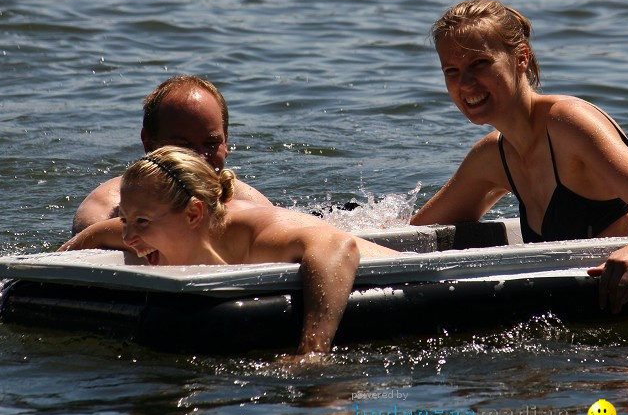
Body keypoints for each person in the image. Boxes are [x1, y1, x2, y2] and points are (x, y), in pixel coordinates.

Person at [411, 0, 628, 314]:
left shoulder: (567, 122)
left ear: (520, 58)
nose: (465, 83)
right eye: (451, 71)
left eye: (479, 64)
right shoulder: (492, 156)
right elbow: (418, 234)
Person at [62, 146, 399, 354]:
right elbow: (95, 236)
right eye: (125, 221)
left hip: (413, 279)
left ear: (194, 213)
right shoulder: (147, 232)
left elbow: (338, 245)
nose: (130, 237)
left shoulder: (257, 234)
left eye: (142, 222)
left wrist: (312, 350)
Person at [71, 75, 272, 237]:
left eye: (211, 144)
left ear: (226, 142)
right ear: (148, 143)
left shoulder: (253, 205)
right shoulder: (103, 212)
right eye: (182, 146)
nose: (199, 158)